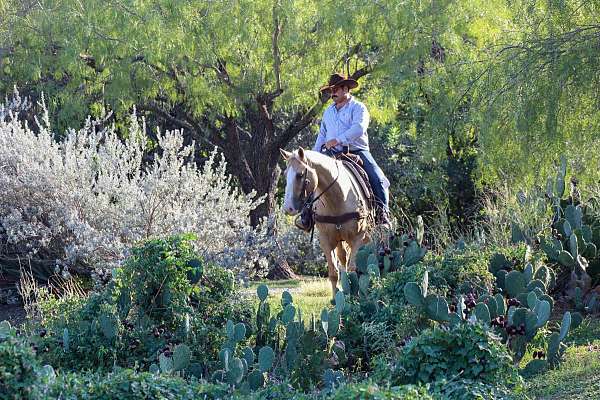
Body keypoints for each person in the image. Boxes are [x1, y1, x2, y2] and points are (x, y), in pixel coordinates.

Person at [313, 73, 391, 225]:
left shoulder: (358, 108)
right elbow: (322, 135)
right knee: (311, 179)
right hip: (331, 154)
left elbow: (359, 128)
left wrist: (338, 140)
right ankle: (308, 215)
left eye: (335, 89)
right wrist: (314, 156)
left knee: (377, 178)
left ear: (345, 88)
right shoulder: (328, 112)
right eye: (331, 90)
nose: (333, 93)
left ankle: (383, 215)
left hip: (357, 151)